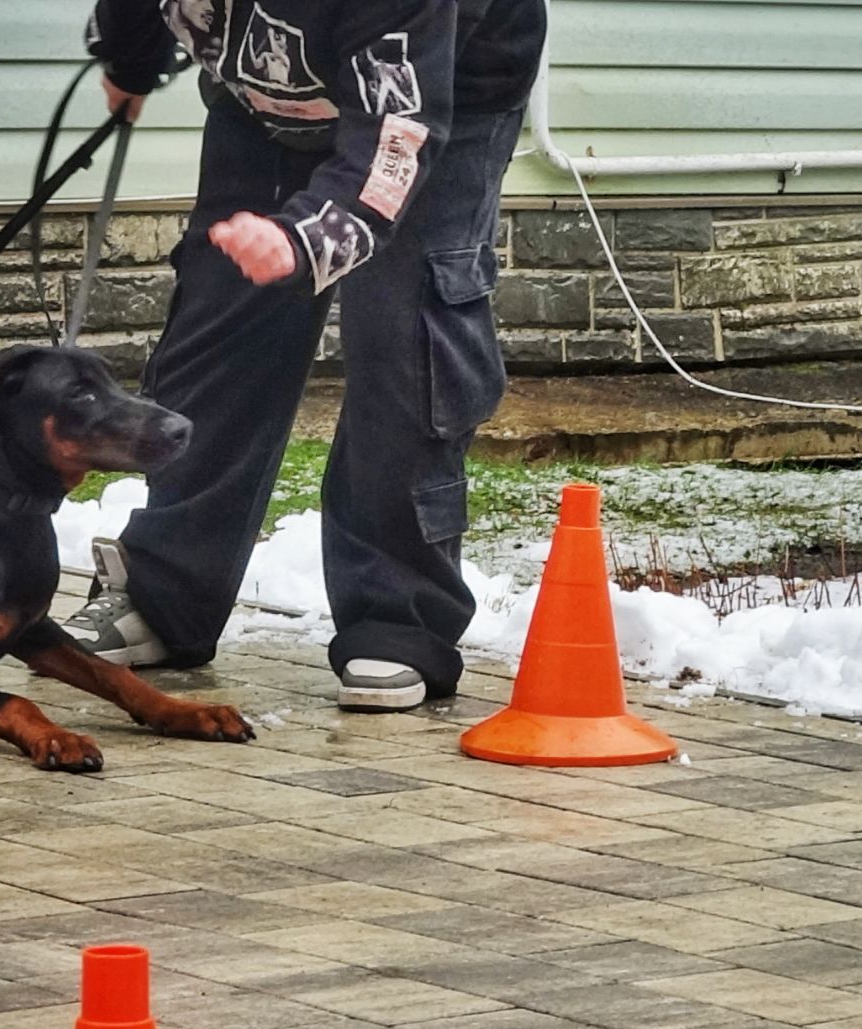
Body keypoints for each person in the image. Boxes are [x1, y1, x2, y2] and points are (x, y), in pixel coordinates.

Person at [64, 0, 546, 712]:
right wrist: (131, 60)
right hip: (268, 106)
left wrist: (305, 240)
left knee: (405, 335)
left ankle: (397, 617)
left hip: (442, 92)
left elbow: (394, 142)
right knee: (219, 318)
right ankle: (164, 594)